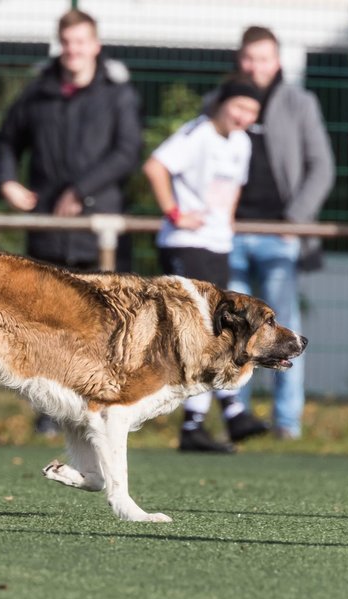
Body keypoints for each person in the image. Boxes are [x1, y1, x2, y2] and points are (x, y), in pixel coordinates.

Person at [0, 8, 142, 435]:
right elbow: (6, 140)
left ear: (95, 45)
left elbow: (127, 152)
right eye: (67, 43)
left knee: (105, 324)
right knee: (50, 323)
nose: (73, 51)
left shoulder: (118, 94)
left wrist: (83, 192)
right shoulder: (38, 92)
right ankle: (50, 411)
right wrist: (7, 181)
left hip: (101, 232)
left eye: (81, 43)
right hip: (49, 231)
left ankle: (105, 406)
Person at [143, 76, 268, 452]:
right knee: (203, 330)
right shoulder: (197, 133)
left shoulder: (242, 143)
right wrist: (174, 212)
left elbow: (233, 189)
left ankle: (204, 421)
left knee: (216, 329)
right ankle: (227, 413)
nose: (244, 117)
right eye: (240, 108)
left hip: (216, 244)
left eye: (252, 112)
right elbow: (155, 167)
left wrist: (226, 222)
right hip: (188, 242)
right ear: (223, 103)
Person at [226, 26, 335, 440]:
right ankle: (237, 412)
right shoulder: (221, 101)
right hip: (231, 232)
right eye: (249, 59)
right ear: (240, 60)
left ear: (278, 61)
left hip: (280, 234)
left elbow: (321, 167)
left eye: (264, 58)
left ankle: (286, 421)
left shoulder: (299, 103)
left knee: (283, 327)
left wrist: (296, 220)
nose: (256, 67)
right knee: (231, 327)